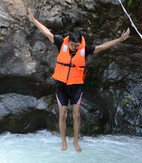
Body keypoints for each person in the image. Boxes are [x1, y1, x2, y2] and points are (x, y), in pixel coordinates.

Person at [28, 8, 130, 153]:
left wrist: (119, 40)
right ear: (68, 42)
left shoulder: (84, 50)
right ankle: (64, 142)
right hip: (61, 86)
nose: (75, 48)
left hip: (76, 87)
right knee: (63, 114)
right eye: (73, 45)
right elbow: (46, 32)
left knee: (76, 114)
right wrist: (34, 20)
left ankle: (76, 141)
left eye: (77, 46)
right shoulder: (60, 43)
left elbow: (102, 47)